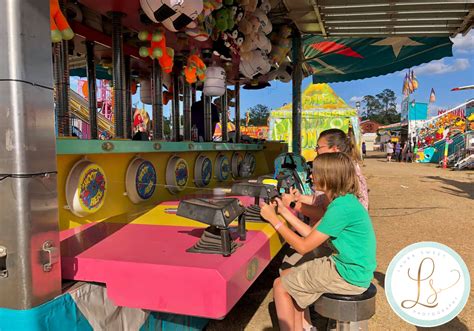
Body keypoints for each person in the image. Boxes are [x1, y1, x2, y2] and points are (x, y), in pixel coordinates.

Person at [260, 152, 377, 331]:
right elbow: (311, 234)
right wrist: (284, 210)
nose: (311, 175)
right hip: (351, 268)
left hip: (349, 275)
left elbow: (303, 246)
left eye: (315, 172)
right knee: (289, 275)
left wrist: (274, 220)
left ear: (328, 177)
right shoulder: (343, 201)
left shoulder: (340, 208)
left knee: (280, 286)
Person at [281, 129, 369, 224]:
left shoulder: (342, 173)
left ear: (335, 149)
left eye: (318, 147)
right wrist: (300, 197)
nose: (316, 150)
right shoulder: (347, 168)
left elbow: (326, 213)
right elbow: (322, 201)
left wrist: (293, 204)